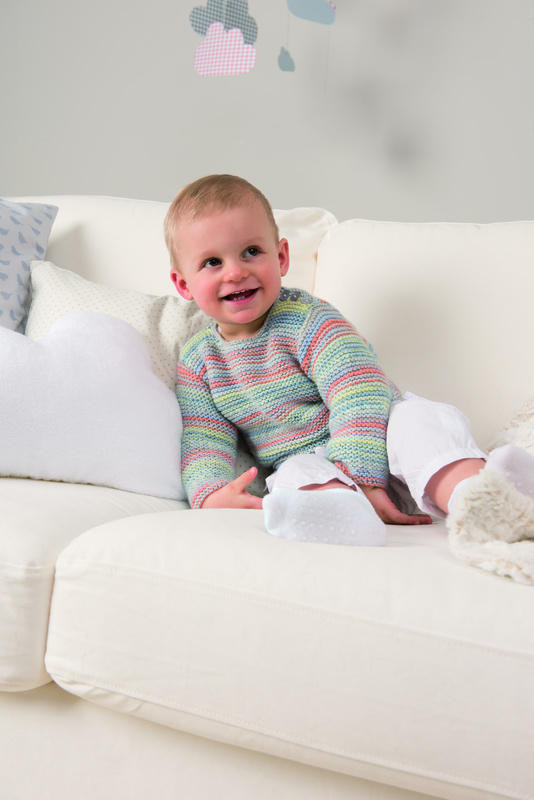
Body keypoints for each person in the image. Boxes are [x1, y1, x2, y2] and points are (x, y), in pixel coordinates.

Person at [164, 174, 534, 551]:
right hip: (317, 467)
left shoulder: (309, 320)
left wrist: (364, 476)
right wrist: (210, 493)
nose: (235, 272)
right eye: (213, 262)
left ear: (281, 257)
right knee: (294, 475)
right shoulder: (198, 361)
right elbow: (203, 436)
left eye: (251, 252)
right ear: (183, 285)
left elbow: (358, 387)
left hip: (382, 437)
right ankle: (341, 515)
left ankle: (481, 497)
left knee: (422, 423)